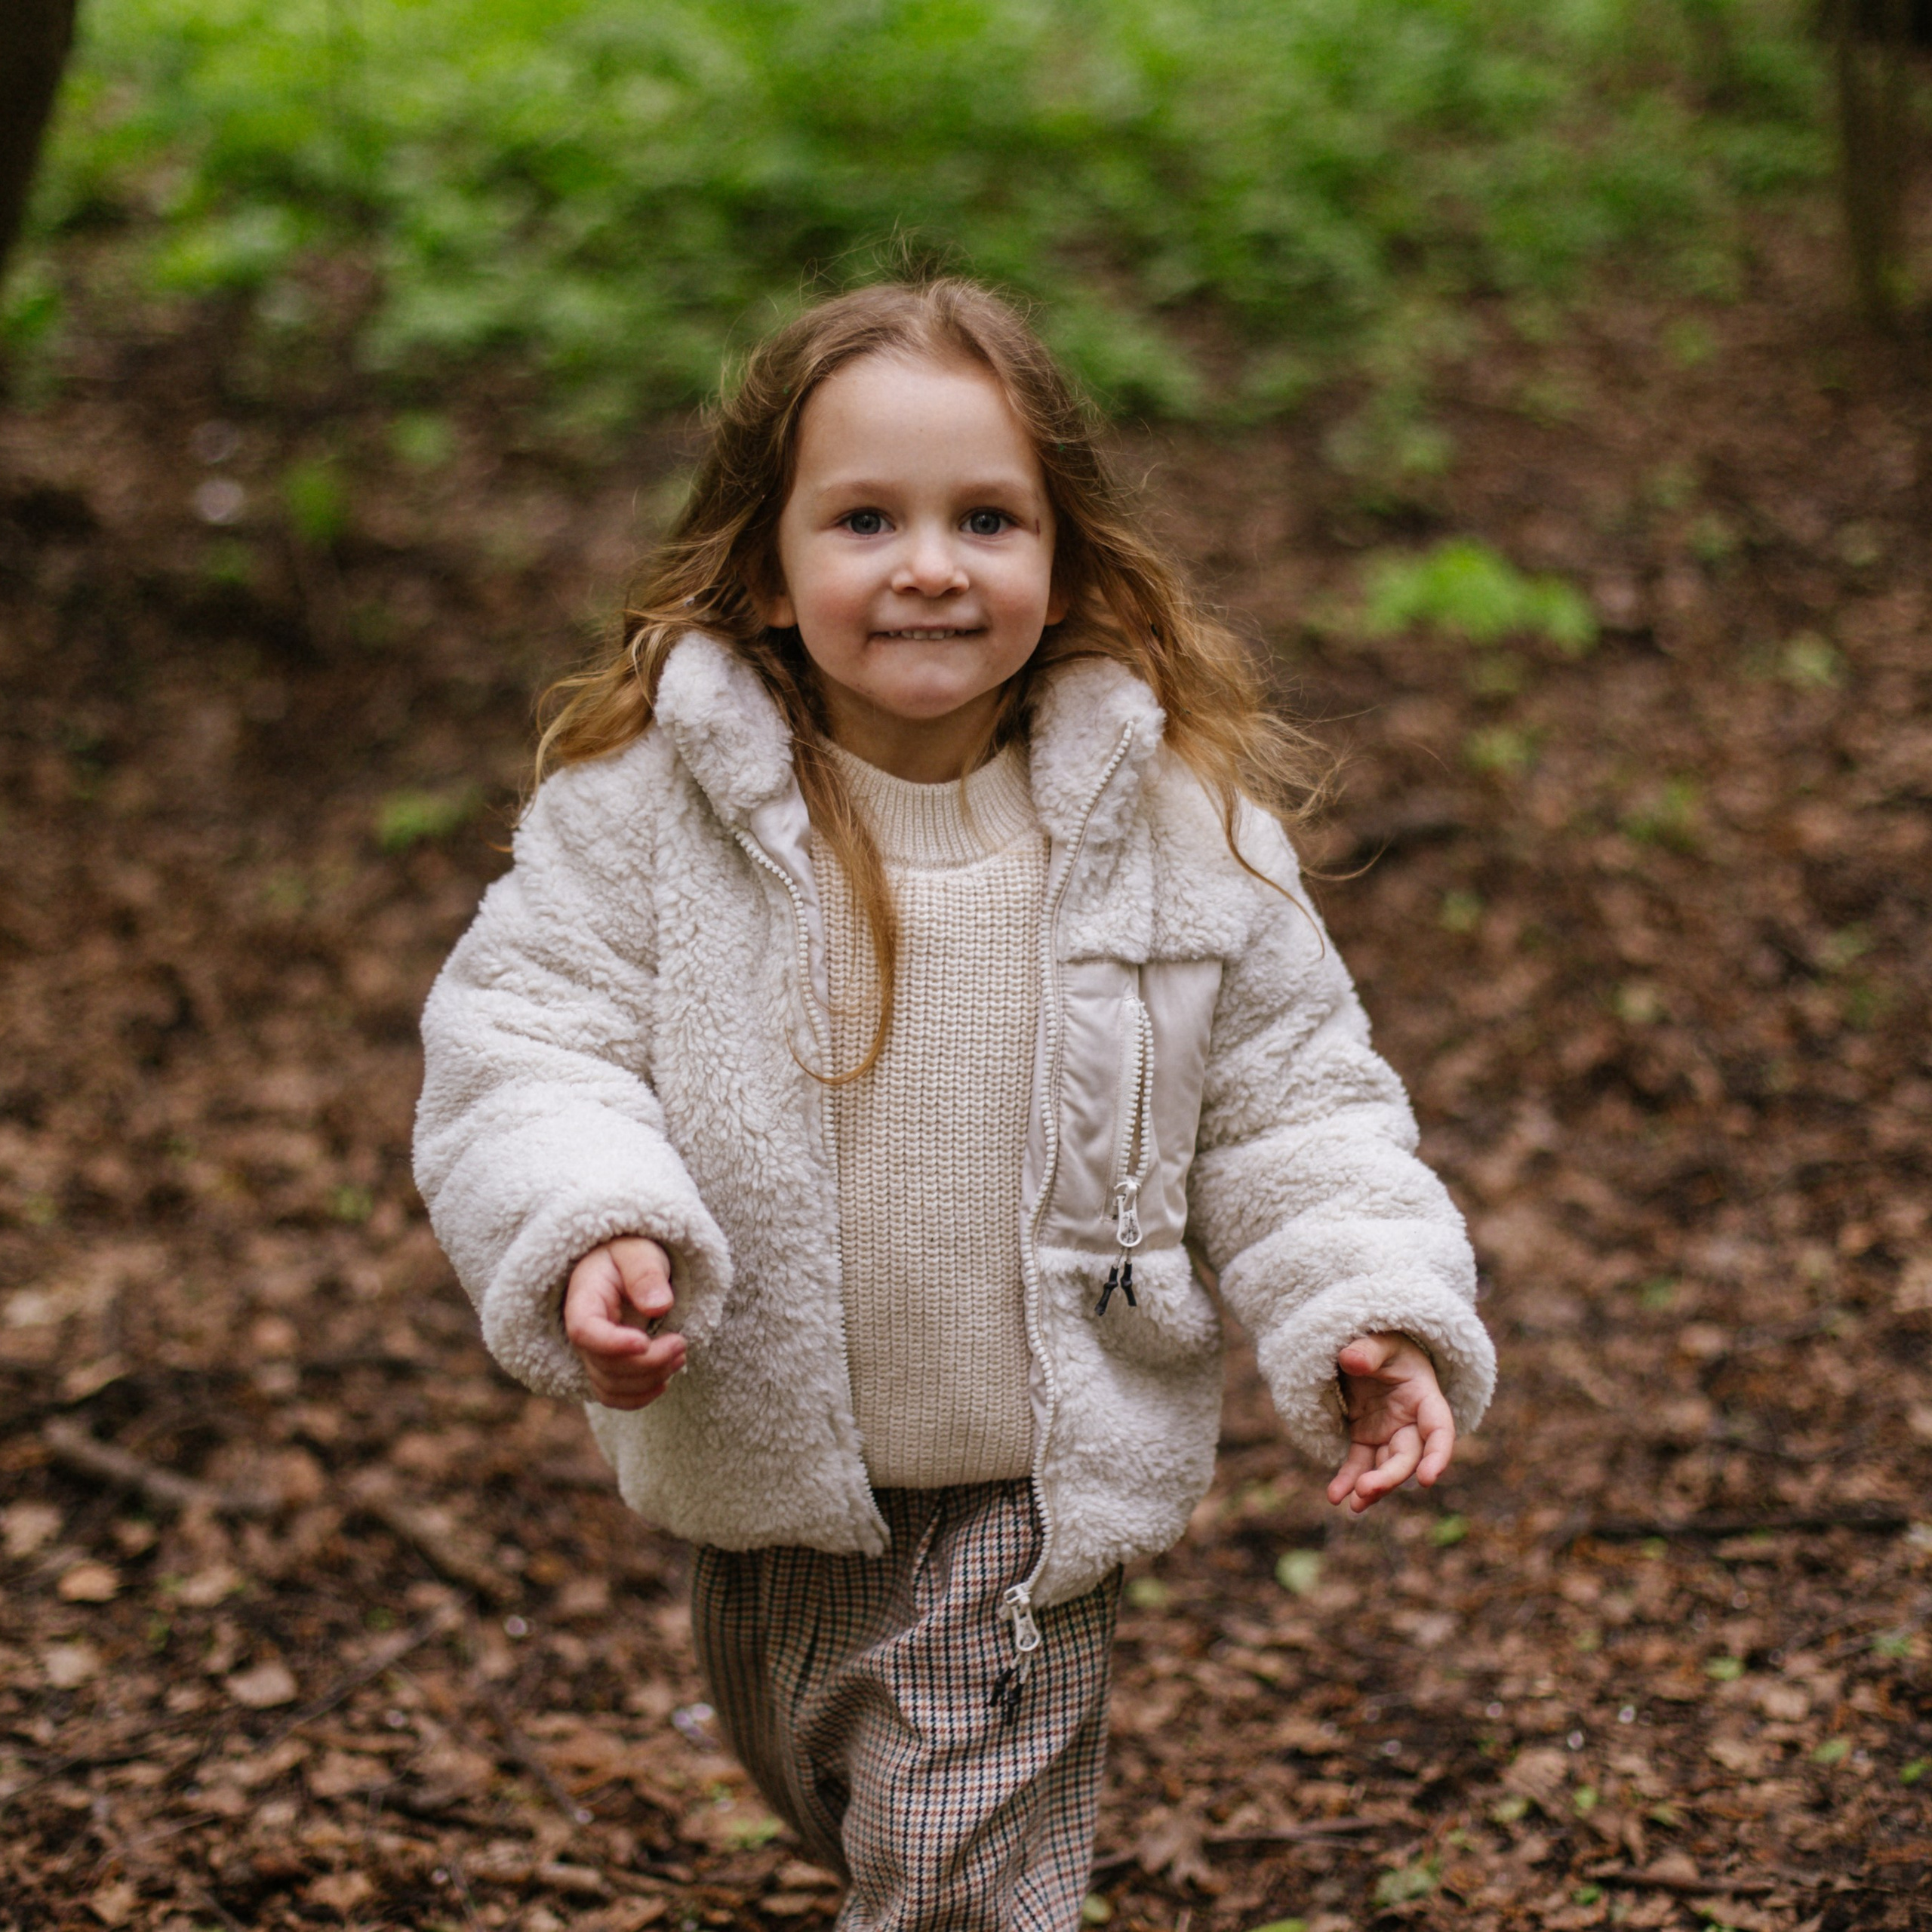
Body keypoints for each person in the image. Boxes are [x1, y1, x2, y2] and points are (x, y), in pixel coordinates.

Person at [414, 277, 1495, 1930]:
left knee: (957, 1872)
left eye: (984, 516)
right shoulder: (640, 820)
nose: (929, 562)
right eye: (865, 517)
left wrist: (1364, 1299)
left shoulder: (1175, 836)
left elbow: (1292, 1104)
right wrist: (593, 1223)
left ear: (1060, 561)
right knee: (843, 1798)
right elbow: (529, 1044)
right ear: (767, 573)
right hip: (768, 1463)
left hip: (1029, 1487)